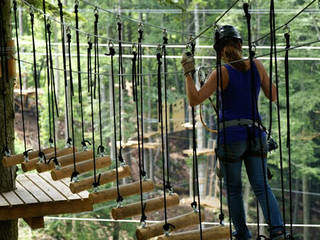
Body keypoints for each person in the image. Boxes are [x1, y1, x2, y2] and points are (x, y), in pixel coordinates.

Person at [181, 25, 286, 240]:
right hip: (256, 136)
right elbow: (273, 95)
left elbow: (194, 100)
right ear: (240, 45)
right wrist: (260, 75)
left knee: (235, 190)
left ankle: (242, 234)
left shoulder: (221, 73)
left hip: (231, 138)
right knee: (261, 185)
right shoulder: (256, 65)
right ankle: (277, 231)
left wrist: (188, 72)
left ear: (219, 52)